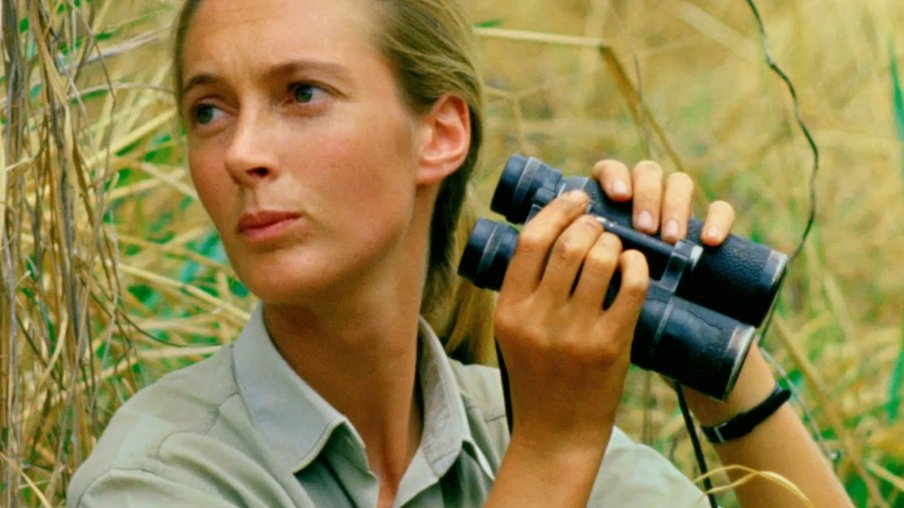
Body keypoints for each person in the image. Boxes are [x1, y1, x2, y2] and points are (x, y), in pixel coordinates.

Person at [67, 0, 853, 506]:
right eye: (208, 110)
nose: (241, 153)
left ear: (439, 134)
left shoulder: (507, 423)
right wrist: (553, 453)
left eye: (302, 94)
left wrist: (711, 348)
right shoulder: (163, 477)